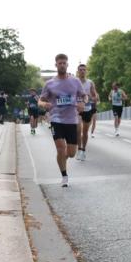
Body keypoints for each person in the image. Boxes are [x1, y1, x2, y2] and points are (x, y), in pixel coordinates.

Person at [38, 54, 86, 187]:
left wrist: (82, 103)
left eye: (64, 63)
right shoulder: (49, 84)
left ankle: (62, 159)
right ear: (56, 65)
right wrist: (44, 104)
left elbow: (84, 96)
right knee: (60, 148)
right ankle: (64, 176)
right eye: (60, 63)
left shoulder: (75, 81)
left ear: (67, 64)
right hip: (56, 119)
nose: (62, 65)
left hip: (72, 120)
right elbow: (40, 100)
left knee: (71, 153)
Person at [75, 64, 99, 161]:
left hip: (87, 109)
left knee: (84, 132)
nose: (82, 71)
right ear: (78, 71)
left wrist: (92, 97)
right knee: (78, 130)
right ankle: (79, 149)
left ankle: (83, 150)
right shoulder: (74, 82)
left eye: (84, 70)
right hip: (77, 109)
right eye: (80, 70)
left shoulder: (90, 83)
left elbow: (95, 96)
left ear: (86, 71)